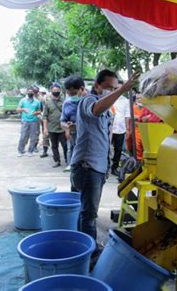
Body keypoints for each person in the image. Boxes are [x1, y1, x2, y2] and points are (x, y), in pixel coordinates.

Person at [70, 69, 139, 242]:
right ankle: (90, 252)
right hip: (87, 166)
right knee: (89, 215)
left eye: (115, 87)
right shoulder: (88, 101)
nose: (112, 90)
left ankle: (83, 246)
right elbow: (95, 110)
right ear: (97, 86)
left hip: (97, 167)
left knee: (86, 211)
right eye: (109, 87)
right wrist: (122, 90)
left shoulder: (108, 110)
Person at [61, 76, 87, 172]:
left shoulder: (91, 101)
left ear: (82, 89)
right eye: (69, 94)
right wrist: (67, 127)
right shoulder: (67, 103)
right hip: (74, 138)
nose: (72, 96)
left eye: (74, 93)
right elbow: (62, 121)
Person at [43, 83, 67, 167]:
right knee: (54, 146)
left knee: (65, 145)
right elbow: (45, 117)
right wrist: (45, 129)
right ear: (51, 91)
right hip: (52, 128)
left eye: (57, 90)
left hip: (63, 128)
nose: (55, 91)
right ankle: (57, 160)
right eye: (54, 90)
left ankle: (68, 160)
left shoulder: (65, 101)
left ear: (60, 91)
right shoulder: (48, 103)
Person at [110, 81, 131, 176]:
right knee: (106, 148)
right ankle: (105, 167)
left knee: (118, 149)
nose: (117, 90)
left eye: (120, 88)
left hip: (120, 128)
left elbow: (127, 115)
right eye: (116, 88)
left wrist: (128, 128)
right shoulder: (109, 99)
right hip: (109, 128)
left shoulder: (126, 101)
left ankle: (114, 168)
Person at [16, 87, 42, 157]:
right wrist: (23, 109)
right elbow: (17, 110)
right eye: (29, 91)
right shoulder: (23, 100)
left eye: (31, 91)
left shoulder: (37, 101)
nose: (30, 93)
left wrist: (36, 112)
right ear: (27, 92)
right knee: (23, 136)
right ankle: (20, 151)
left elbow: (40, 111)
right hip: (25, 121)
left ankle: (30, 151)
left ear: (33, 93)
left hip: (34, 121)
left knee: (33, 137)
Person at [38, 87, 50, 158]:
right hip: (48, 119)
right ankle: (46, 151)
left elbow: (42, 110)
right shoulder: (48, 98)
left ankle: (45, 152)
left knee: (45, 135)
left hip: (46, 120)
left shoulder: (43, 99)